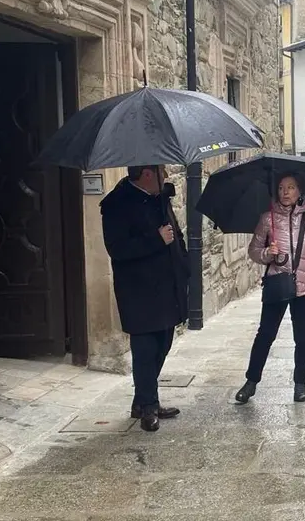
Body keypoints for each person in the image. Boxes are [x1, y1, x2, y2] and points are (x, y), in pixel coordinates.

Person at [234, 173, 305, 404]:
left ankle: (300, 382)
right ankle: (251, 382)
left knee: (303, 337)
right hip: (277, 284)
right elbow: (253, 250)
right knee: (265, 335)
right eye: (281, 188)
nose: (285, 192)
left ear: (299, 191)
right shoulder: (266, 218)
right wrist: (266, 254)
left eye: (290, 187)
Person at [100, 165, 189, 432]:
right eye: (161, 171)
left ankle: (142, 401)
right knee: (145, 349)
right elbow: (117, 249)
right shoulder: (117, 204)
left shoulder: (160, 198)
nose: (167, 175)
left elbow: (175, 234)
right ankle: (149, 406)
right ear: (147, 174)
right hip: (138, 289)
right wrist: (155, 239)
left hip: (167, 285)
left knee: (163, 343)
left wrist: (184, 265)